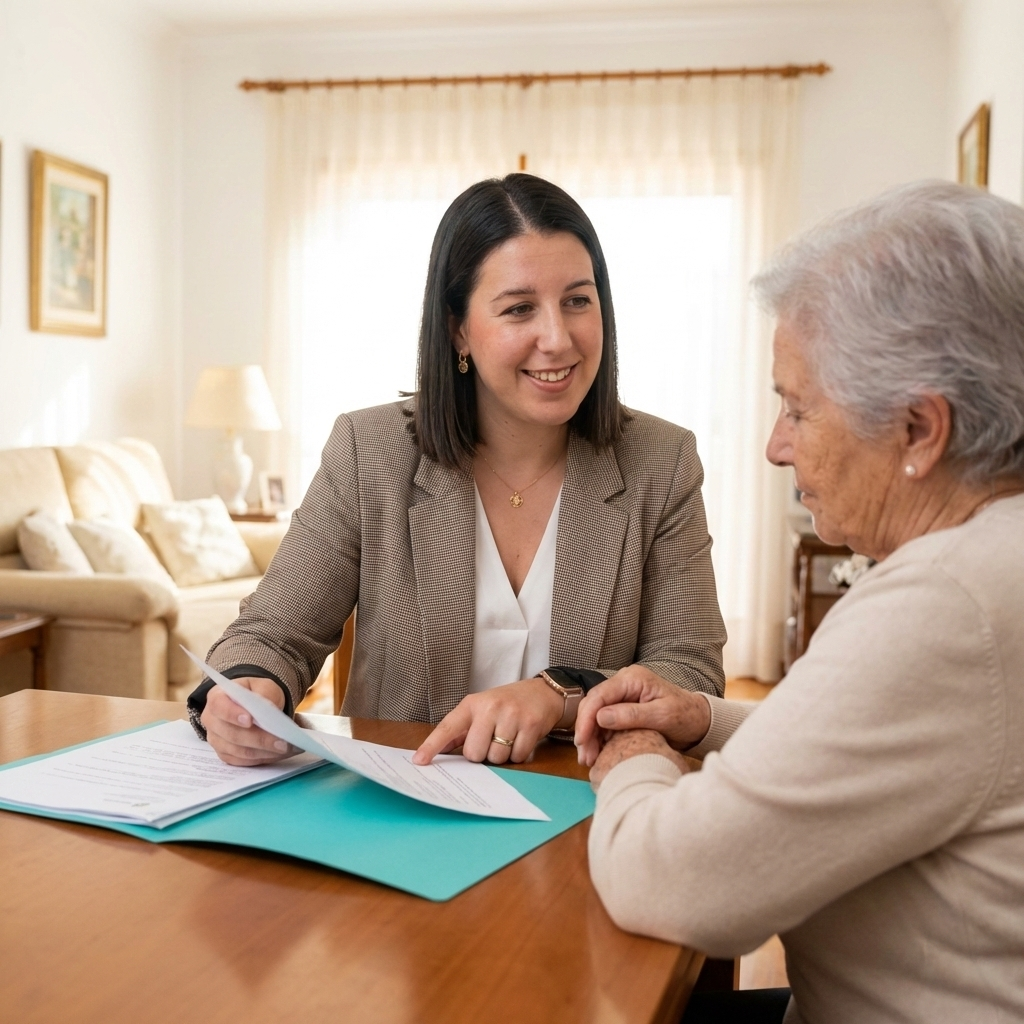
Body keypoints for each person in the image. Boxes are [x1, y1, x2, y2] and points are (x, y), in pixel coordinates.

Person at [576, 181, 1024, 1024]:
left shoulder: (948, 604)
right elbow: (915, 747)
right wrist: (704, 721)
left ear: (919, 430)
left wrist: (633, 750)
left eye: (797, 408)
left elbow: (672, 881)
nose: (777, 447)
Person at [188, 173, 726, 768]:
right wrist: (246, 690)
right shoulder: (371, 449)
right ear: (458, 329)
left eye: (578, 300)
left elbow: (691, 672)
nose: (558, 338)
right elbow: (270, 635)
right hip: (403, 804)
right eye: (519, 309)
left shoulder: (662, 460)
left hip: (583, 808)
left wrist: (560, 694)